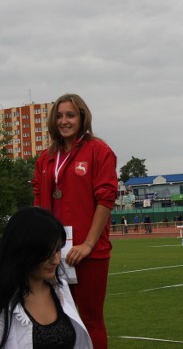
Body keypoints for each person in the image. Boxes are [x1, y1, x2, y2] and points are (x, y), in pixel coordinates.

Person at [32, 93, 117, 349]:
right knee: (52, 319)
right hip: (51, 253)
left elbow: (105, 200)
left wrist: (88, 244)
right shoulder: (46, 158)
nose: (64, 121)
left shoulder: (99, 151)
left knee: (90, 320)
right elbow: (38, 203)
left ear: (82, 117)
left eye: (70, 115)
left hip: (88, 252)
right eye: (59, 115)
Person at [0, 207, 92, 349]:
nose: (55, 260)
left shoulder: (61, 289)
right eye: (47, 253)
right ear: (24, 251)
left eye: (58, 249)